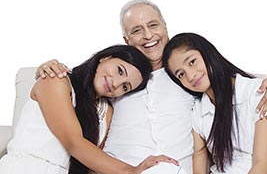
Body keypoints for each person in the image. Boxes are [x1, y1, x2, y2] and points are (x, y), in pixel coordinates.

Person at [35, 0, 267, 173]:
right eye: (137, 30)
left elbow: (233, 87)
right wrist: (48, 69)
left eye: (153, 25)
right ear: (126, 39)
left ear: (165, 27)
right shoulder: (119, 80)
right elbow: (77, 93)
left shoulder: (191, 79)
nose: (147, 36)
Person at [0, 45, 180, 174]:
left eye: (125, 87)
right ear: (105, 57)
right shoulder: (55, 80)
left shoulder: (105, 111)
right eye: (119, 70)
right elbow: (74, 142)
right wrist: (132, 171)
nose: (115, 84)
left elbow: (91, 163)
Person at [162, 32, 267, 173]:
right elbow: (199, 159)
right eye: (181, 74)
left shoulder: (257, 92)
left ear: (207, 53)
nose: (190, 75)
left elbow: (262, 165)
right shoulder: (198, 112)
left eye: (192, 62)